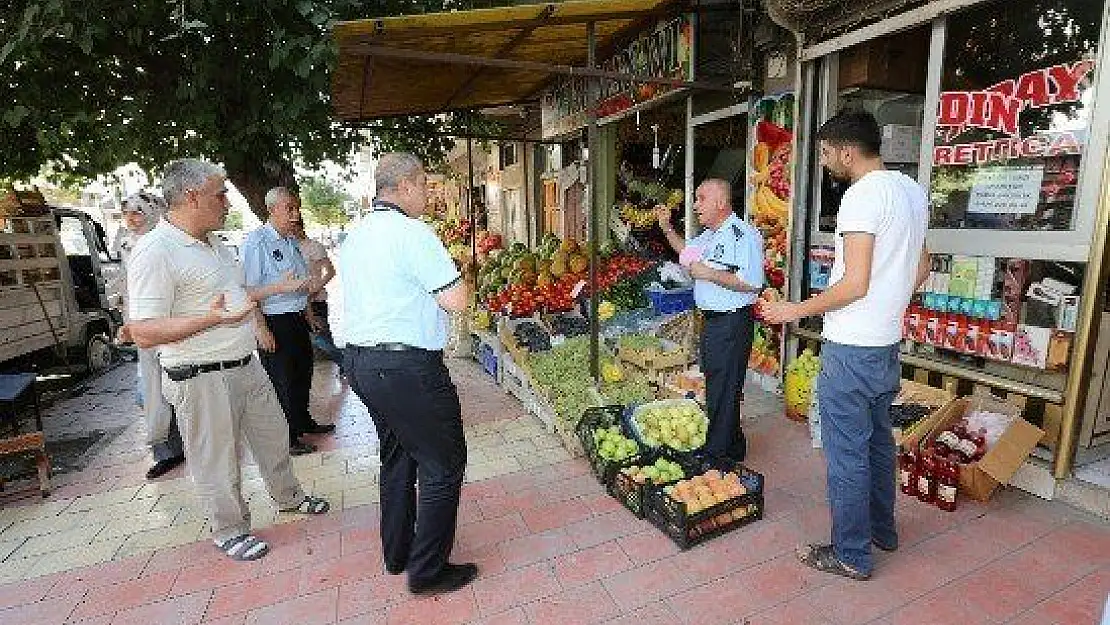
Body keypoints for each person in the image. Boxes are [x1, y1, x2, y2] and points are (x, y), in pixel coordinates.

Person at [126, 158, 329, 561]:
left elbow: (237, 298)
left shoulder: (215, 245)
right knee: (216, 459)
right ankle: (229, 529)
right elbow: (143, 331)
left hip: (244, 364)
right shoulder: (155, 250)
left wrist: (267, 302)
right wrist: (209, 320)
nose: (228, 202)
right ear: (191, 196)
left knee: (273, 438)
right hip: (200, 376)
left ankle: (288, 497)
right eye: (220, 194)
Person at [762, 110, 929, 581]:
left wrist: (793, 311)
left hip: (852, 347)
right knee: (878, 444)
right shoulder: (911, 192)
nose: (823, 161)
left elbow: (854, 283)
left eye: (825, 152)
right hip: (885, 345)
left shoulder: (861, 197)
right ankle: (883, 530)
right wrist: (891, 303)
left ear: (847, 151)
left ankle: (851, 554)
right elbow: (922, 267)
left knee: (847, 454)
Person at [340, 152, 478, 595]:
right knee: (443, 463)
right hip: (405, 367)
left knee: (399, 454)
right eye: (424, 184)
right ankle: (428, 571)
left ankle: (397, 551)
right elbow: (456, 300)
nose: (429, 192)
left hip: (362, 362)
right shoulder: (412, 233)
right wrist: (466, 278)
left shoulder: (358, 232)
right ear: (403, 186)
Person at [656, 179, 764, 463]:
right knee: (719, 384)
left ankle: (715, 456)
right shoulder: (707, 236)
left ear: (721, 202)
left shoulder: (743, 235)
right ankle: (735, 445)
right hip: (713, 323)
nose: (695, 205)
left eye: (701, 198)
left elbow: (752, 284)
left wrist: (710, 274)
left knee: (724, 386)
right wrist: (667, 227)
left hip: (732, 322)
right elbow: (686, 255)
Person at [241, 188, 336, 456]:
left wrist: (309, 314)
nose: (295, 214)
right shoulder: (256, 243)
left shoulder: (292, 242)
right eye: (289, 209)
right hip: (274, 321)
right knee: (282, 382)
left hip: (296, 319)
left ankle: (302, 422)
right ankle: (287, 438)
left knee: (303, 374)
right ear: (271, 210)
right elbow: (247, 291)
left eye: (297, 209)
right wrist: (260, 327)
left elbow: (302, 285)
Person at [118, 192, 185, 479]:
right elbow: (128, 290)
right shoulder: (127, 245)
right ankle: (167, 451)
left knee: (184, 388)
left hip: (174, 327)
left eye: (138, 212)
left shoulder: (169, 242)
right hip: (145, 331)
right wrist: (128, 325)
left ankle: (197, 440)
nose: (132, 219)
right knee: (150, 394)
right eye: (127, 213)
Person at [295, 225, 342, 366]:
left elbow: (330, 272)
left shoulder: (314, 246)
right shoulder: (288, 247)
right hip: (296, 301)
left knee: (321, 337)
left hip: (315, 300)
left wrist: (316, 288)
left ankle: (345, 363)